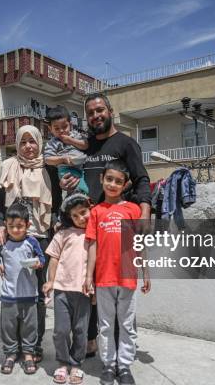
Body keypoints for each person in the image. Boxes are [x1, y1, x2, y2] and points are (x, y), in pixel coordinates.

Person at [60, 93, 152, 357]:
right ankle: (92, 339)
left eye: (100, 110)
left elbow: (141, 179)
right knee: (91, 287)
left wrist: (144, 212)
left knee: (121, 291)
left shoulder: (125, 143)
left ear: (110, 111)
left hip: (118, 231)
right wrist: (67, 183)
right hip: (89, 226)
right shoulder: (87, 147)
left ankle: (123, 346)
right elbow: (79, 176)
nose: (95, 116)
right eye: (90, 113)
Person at [0, 124, 54, 362]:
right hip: (12, 237)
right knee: (13, 292)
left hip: (41, 237)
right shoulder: (7, 166)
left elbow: (55, 201)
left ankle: (33, 346)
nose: (28, 146)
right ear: (17, 144)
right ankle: (13, 346)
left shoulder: (49, 167)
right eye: (23, 142)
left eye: (32, 141)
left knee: (37, 295)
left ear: (39, 143)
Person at [83, 160, 151, 385]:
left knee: (126, 324)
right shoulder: (96, 212)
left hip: (128, 278)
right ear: (102, 179)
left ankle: (124, 366)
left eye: (118, 181)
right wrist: (88, 276)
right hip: (103, 279)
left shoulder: (133, 210)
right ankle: (109, 366)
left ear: (125, 185)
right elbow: (92, 246)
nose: (113, 184)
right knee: (106, 325)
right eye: (109, 179)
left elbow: (140, 243)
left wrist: (146, 272)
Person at [42, 193, 93, 384]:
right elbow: (54, 258)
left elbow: (98, 262)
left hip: (84, 291)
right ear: (69, 217)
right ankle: (62, 363)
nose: (81, 218)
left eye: (83, 212)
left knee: (81, 330)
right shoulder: (62, 234)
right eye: (75, 215)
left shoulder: (94, 234)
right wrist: (50, 281)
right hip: (62, 290)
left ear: (90, 209)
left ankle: (76, 364)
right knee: (61, 330)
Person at [0, 203, 46, 375]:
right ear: (5, 224)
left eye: (19, 226)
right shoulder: (3, 242)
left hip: (29, 295)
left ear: (28, 225)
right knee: (8, 327)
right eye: (11, 226)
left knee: (30, 326)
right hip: (9, 296)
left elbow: (42, 258)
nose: (15, 230)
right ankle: (10, 354)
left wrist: (38, 263)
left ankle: (28, 354)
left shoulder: (32, 242)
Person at [44, 105, 89, 195]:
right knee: (79, 187)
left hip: (81, 167)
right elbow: (48, 159)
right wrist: (63, 159)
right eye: (56, 128)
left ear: (70, 125)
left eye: (64, 127)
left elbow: (85, 145)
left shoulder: (76, 135)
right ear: (50, 129)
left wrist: (70, 140)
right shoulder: (53, 143)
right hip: (66, 169)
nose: (61, 131)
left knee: (86, 185)